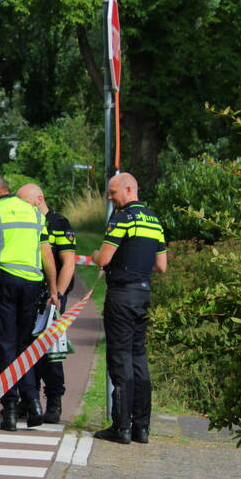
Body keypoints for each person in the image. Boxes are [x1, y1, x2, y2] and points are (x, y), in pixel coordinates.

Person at [0, 176, 58, 432]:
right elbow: (47, 253)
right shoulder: (35, 214)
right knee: (24, 345)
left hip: (4, 283)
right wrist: (55, 289)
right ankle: (34, 403)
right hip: (33, 284)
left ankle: (11, 410)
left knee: (5, 346)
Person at [91, 172, 167, 444]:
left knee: (120, 358)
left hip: (122, 295)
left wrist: (95, 256)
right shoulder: (154, 220)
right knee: (138, 358)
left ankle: (121, 427)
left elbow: (103, 259)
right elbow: (161, 266)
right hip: (144, 293)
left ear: (128, 189)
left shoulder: (122, 218)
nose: (110, 199)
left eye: (113, 193)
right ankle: (142, 427)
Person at [16, 184, 77, 424]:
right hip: (28, 294)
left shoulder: (58, 223)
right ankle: (28, 400)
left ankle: (54, 401)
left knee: (50, 353)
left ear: (39, 198)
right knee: (25, 349)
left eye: (26, 203)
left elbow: (68, 263)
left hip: (51, 297)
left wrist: (58, 296)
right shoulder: (27, 224)